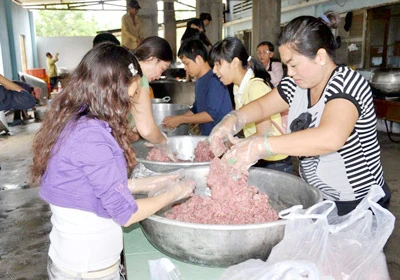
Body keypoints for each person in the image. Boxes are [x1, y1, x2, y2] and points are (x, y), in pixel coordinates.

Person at [30, 43, 194, 279]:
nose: (131, 102)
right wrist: (175, 193)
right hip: (87, 270)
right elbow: (126, 213)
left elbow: (92, 185)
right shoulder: (92, 137)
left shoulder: (76, 119)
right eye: (131, 94)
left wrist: (148, 184)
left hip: (72, 261)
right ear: (113, 90)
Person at [209, 15, 391, 216]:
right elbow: (261, 107)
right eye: (286, 65)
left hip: (359, 203)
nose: (290, 72)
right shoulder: (296, 85)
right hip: (319, 196)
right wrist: (232, 120)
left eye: (294, 64)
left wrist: (262, 145)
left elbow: (330, 137)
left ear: (320, 56)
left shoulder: (347, 83)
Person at [209, 37, 292, 174]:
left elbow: (264, 132)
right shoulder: (237, 87)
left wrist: (235, 146)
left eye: (218, 64)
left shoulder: (255, 87)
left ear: (235, 62)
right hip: (260, 158)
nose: (214, 70)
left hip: (274, 162)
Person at [162, 39, 232, 136]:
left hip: (223, 138)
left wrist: (180, 119)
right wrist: (175, 120)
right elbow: (196, 108)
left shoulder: (215, 80)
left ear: (198, 59)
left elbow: (210, 115)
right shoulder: (200, 80)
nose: (185, 68)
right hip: (209, 136)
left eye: (187, 63)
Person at [130, 36, 174, 144]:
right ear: (151, 58)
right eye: (162, 69)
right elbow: (147, 130)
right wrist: (164, 143)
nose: (159, 76)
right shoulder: (139, 77)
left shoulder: (125, 63)